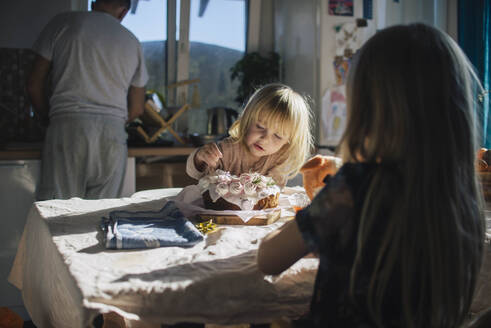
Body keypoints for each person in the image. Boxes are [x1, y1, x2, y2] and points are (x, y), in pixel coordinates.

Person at [257, 24, 486, 327]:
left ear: (368, 109)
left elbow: (269, 259)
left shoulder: (355, 185)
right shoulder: (464, 199)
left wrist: (298, 225)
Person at [27, 0, 148, 200]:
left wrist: (47, 118)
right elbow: (136, 108)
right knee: (99, 219)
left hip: (67, 128)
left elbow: (33, 84)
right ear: (123, 12)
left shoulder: (64, 23)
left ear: (94, 2)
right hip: (112, 136)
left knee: (58, 215)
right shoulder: (131, 41)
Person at [186, 83, 314, 187]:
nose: (265, 139)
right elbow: (194, 173)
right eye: (260, 127)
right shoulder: (228, 150)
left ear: (288, 141)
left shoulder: (279, 159)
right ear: (247, 119)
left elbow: (273, 192)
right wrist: (200, 157)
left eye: (278, 136)